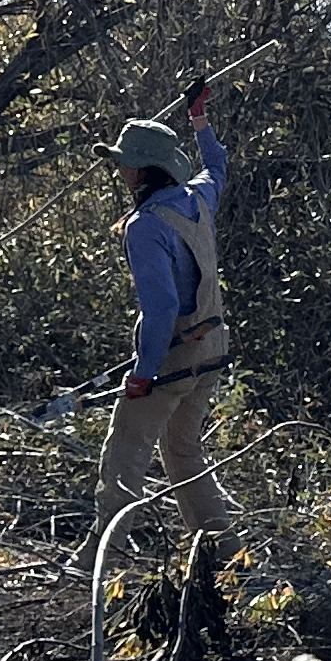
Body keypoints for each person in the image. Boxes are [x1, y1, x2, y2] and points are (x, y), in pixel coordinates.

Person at [96, 85, 236, 570]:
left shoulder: (144, 225)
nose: (120, 170)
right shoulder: (198, 197)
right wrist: (200, 120)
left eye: (124, 162)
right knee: (182, 450)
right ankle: (224, 556)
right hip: (213, 351)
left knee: (126, 454)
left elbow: (161, 310)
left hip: (174, 358)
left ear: (140, 169)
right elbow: (217, 166)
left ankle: (101, 560)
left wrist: (143, 374)